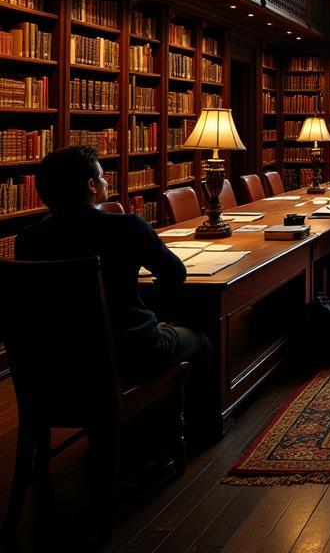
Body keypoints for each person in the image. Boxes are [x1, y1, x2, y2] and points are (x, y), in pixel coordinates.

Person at [14, 145, 211, 382]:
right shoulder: (128, 227)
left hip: (54, 361)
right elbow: (175, 274)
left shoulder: (27, 239)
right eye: (101, 177)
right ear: (91, 185)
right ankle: (191, 418)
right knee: (201, 339)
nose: (106, 182)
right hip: (131, 352)